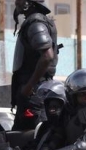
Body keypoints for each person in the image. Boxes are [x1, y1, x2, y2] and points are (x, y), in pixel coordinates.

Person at [11, 0, 60, 131]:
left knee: (32, 139)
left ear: (29, 3)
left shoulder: (35, 23)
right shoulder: (36, 22)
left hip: (35, 95)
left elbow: (47, 56)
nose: (16, 2)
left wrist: (29, 87)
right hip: (34, 93)